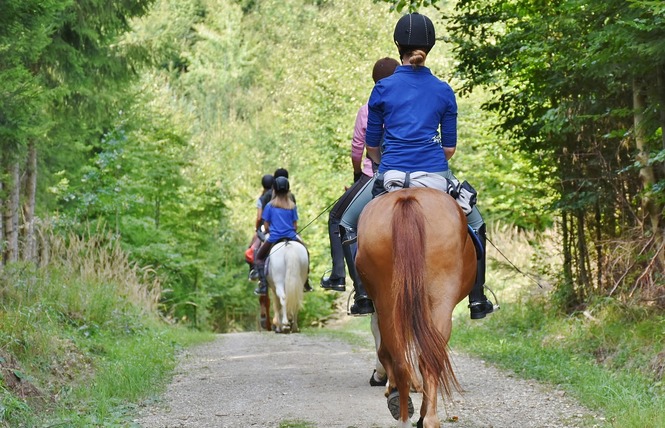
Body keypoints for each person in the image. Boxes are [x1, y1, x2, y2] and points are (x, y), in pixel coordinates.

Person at [339, 13, 496, 319]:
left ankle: (362, 295)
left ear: (398, 45)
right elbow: (449, 148)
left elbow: (372, 146)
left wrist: (386, 163)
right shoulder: (443, 90)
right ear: (430, 47)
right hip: (435, 174)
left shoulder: (382, 88)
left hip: (391, 174)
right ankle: (477, 299)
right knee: (476, 225)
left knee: (346, 222)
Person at [320, 57, 400, 316]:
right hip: (418, 171)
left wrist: (358, 172)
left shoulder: (369, 108)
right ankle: (476, 293)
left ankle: (349, 283)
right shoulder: (408, 104)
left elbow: (359, 149)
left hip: (376, 174)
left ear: (375, 82)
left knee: (338, 220)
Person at [254, 176, 310, 296]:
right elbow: (295, 226)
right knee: (306, 253)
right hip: (292, 236)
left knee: (258, 258)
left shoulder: (269, 206)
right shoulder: (292, 206)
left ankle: (263, 285)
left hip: (274, 237)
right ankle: (306, 282)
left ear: (274, 190)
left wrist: (272, 231)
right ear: (288, 190)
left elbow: (266, 225)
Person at [246, 174, 274, 280]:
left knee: (253, 249)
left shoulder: (261, 199)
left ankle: (254, 271)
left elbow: (259, 218)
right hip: (282, 227)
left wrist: (257, 229)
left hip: (265, 226)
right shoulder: (279, 197)